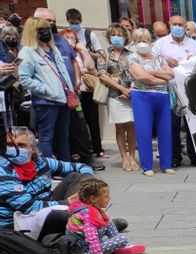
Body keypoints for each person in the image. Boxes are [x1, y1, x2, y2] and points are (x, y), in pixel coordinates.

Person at [0, 126, 93, 232]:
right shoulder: (3, 172)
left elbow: (82, 167)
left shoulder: (41, 162)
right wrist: (66, 203)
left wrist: (88, 181)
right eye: (10, 145)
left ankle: (81, 217)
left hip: (47, 205)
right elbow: (31, 208)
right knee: (68, 214)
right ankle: (81, 222)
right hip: (20, 222)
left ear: (32, 149)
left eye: (21, 145)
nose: (15, 149)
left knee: (76, 177)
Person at [17, 17, 73, 162]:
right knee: (47, 136)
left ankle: (65, 167)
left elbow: (63, 72)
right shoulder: (27, 52)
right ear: (32, 32)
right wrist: (46, 90)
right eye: (41, 30)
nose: (46, 32)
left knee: (63, 136)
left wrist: (71, 90)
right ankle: (47, 169)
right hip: (46, 101)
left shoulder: (53, 49)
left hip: (63, 98)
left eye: (47, 29)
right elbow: (24, 79)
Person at [153, 15, 196, 167]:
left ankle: (195, 156)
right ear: (169, 25)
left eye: (180, 24)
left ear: (184, 26)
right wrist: (164, 61)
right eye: (174, 24)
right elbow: (151, 63)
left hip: (190, 89)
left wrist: (191, 61)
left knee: (193, 124)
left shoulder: (194, 45)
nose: (177, 27)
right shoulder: (160, 44)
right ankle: (175, 157)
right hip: (169, 89)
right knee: (172, 125)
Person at [127, 27, 174, 176]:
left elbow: (171, 75)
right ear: (134, 42)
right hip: (142, 97)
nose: (142, 43)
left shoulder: (159, 59)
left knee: (165, 131)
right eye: (139, 40)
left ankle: (166, 164)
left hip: (162, 98)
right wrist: (161, 79)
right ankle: (147, 166)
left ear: (150, 42)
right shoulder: (133, 58)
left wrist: (153, 72)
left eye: (145, 40)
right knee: (144, 131)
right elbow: (141, 77)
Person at [66, 178, 144, 254]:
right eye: (106, 196)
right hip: (83, 250)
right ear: (93, 198)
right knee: (122, 239)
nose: (109, 198)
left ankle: (120, 247)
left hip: (86, 244)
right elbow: (91, 238)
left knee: (108, 222)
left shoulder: (91, 208)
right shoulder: (88, 214)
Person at [98, 24, 137, 172]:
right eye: (113, 34)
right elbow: (101, 74)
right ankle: (124, 158)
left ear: (125, 37)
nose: (116, 37)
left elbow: (136, 73)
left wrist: (130, 90)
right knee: (120, 127)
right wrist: (121, 88)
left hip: (131, 94)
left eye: (119, 35)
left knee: (132, 127)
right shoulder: (104, 54)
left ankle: (132, 157)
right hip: (114, 95)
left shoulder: (131, 54)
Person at [61, 28, 102, 163]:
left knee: (91, 121)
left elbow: (91, 68)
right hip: (72, 93)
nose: (71, 40)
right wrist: (82, 70)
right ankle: (75, 152)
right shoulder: (62, 53)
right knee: (76, 122)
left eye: (73, 38)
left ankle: (95, 149)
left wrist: (83, 50)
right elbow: (70, 70)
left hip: (87, 90)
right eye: (67, 37)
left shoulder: (79, 52)